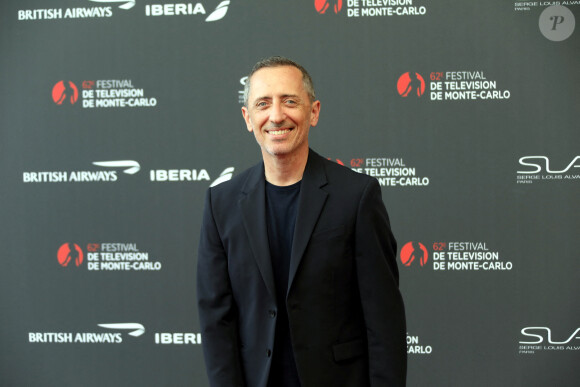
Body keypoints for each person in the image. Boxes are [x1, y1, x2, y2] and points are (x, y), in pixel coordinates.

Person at [197, 56, 406, 387]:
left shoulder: (357, 196)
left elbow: (384, 321)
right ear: (248, 118)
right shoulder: (220, 204)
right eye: (263, 104)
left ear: (314, 111)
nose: (276, 115)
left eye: (290, 101)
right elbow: (216, 321)